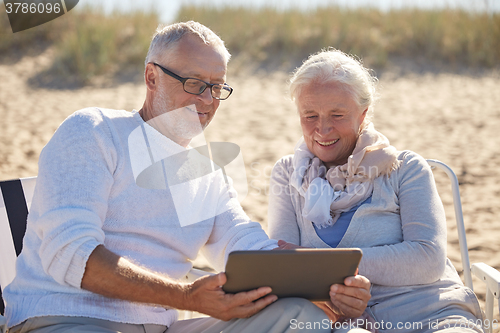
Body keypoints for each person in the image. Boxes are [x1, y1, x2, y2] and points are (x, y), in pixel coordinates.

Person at [3, 22, 371, 333]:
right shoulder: (94, 131)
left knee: (301, 318)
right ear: (152, 76)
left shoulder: (205, 170)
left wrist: (321, 281)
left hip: (160, 328)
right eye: (194, 83)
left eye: (217, 87)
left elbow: (241, 243)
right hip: (67, 318)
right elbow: (69, 253)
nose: (208, 100)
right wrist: (185, 298)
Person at [268, 49, 485, 333]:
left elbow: (428, 258)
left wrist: (324, 265)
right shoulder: (287, 174)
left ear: (363, 114)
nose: (322, 128)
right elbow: (284, 268)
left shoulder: (405, 168)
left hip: (430, 313)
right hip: (342, 323)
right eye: (310, 115)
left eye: (337, 114)